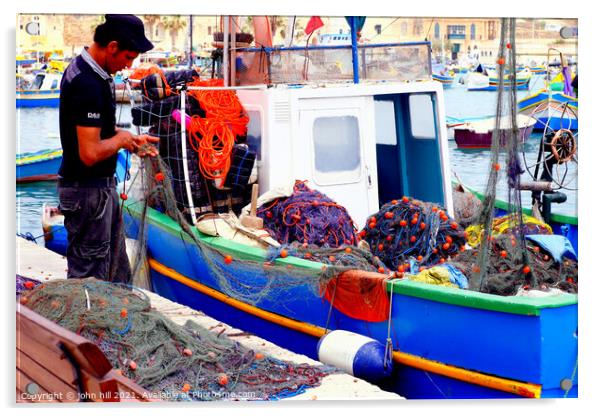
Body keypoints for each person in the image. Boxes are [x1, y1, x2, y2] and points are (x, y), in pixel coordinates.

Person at [58, 14, 159, 283]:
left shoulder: (93, 73)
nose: (127, 66)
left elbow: (98, 132)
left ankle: (114, 324)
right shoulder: (87, 83)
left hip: (98, 192)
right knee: (90, 283)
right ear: (112, 46)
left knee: (116, 275)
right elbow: (89, 153)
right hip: (87, 195)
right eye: (127, 57)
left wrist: (130, 141)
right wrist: (122, 139)